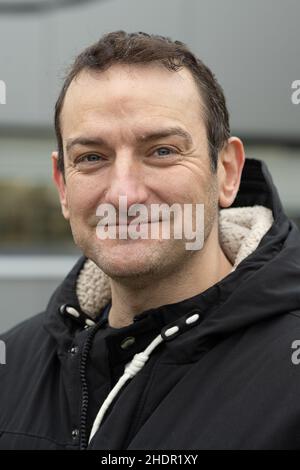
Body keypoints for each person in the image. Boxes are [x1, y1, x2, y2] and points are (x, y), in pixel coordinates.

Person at [0, 30, 300, 451]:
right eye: (92, 157)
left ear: (227, 172)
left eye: (162, 151)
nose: (124, 194)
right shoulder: (13, 365)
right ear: (63, 186)